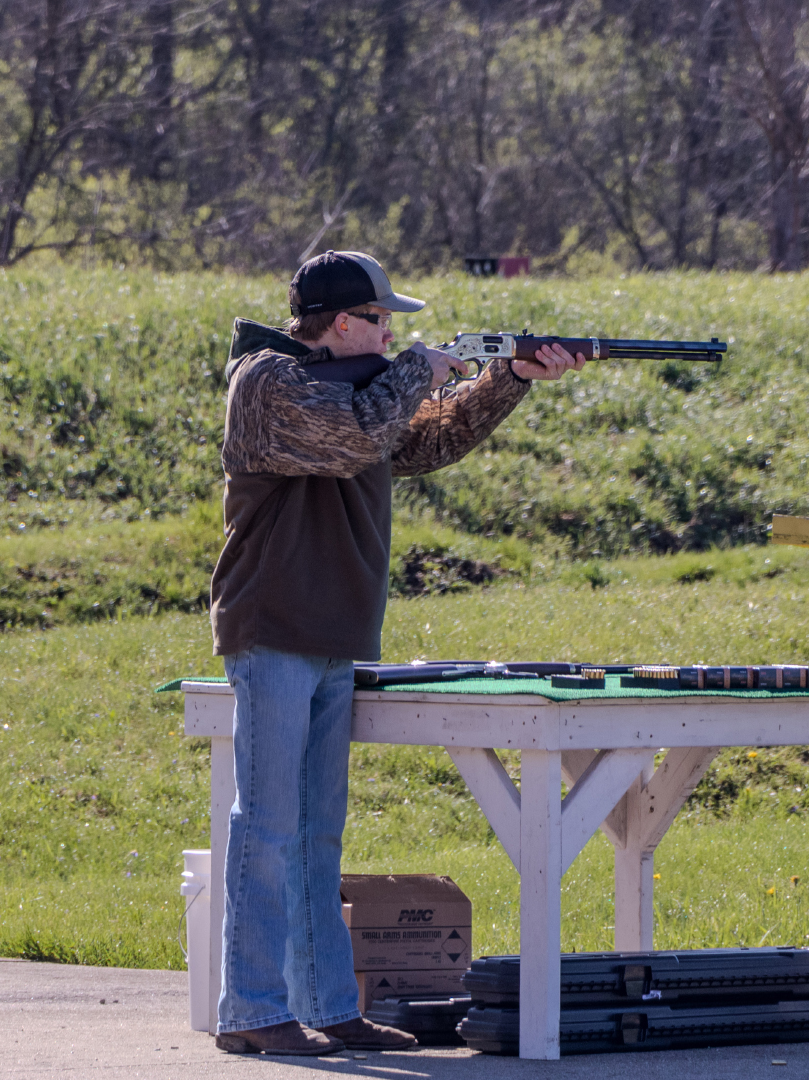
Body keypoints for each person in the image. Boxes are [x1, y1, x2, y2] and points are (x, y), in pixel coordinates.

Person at [207, 250, 584, 1055]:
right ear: (342, 323)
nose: (391, 333)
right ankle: (250, 1012)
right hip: (273, 625)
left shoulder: (363, 385)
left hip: (335, 631)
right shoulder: (267, 381)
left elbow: (421, 442)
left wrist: (508, 377)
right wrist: (417, 366)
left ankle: (328, 1005)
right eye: (381, 321)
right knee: (267, 827)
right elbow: (355, 435)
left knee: (317, 836)